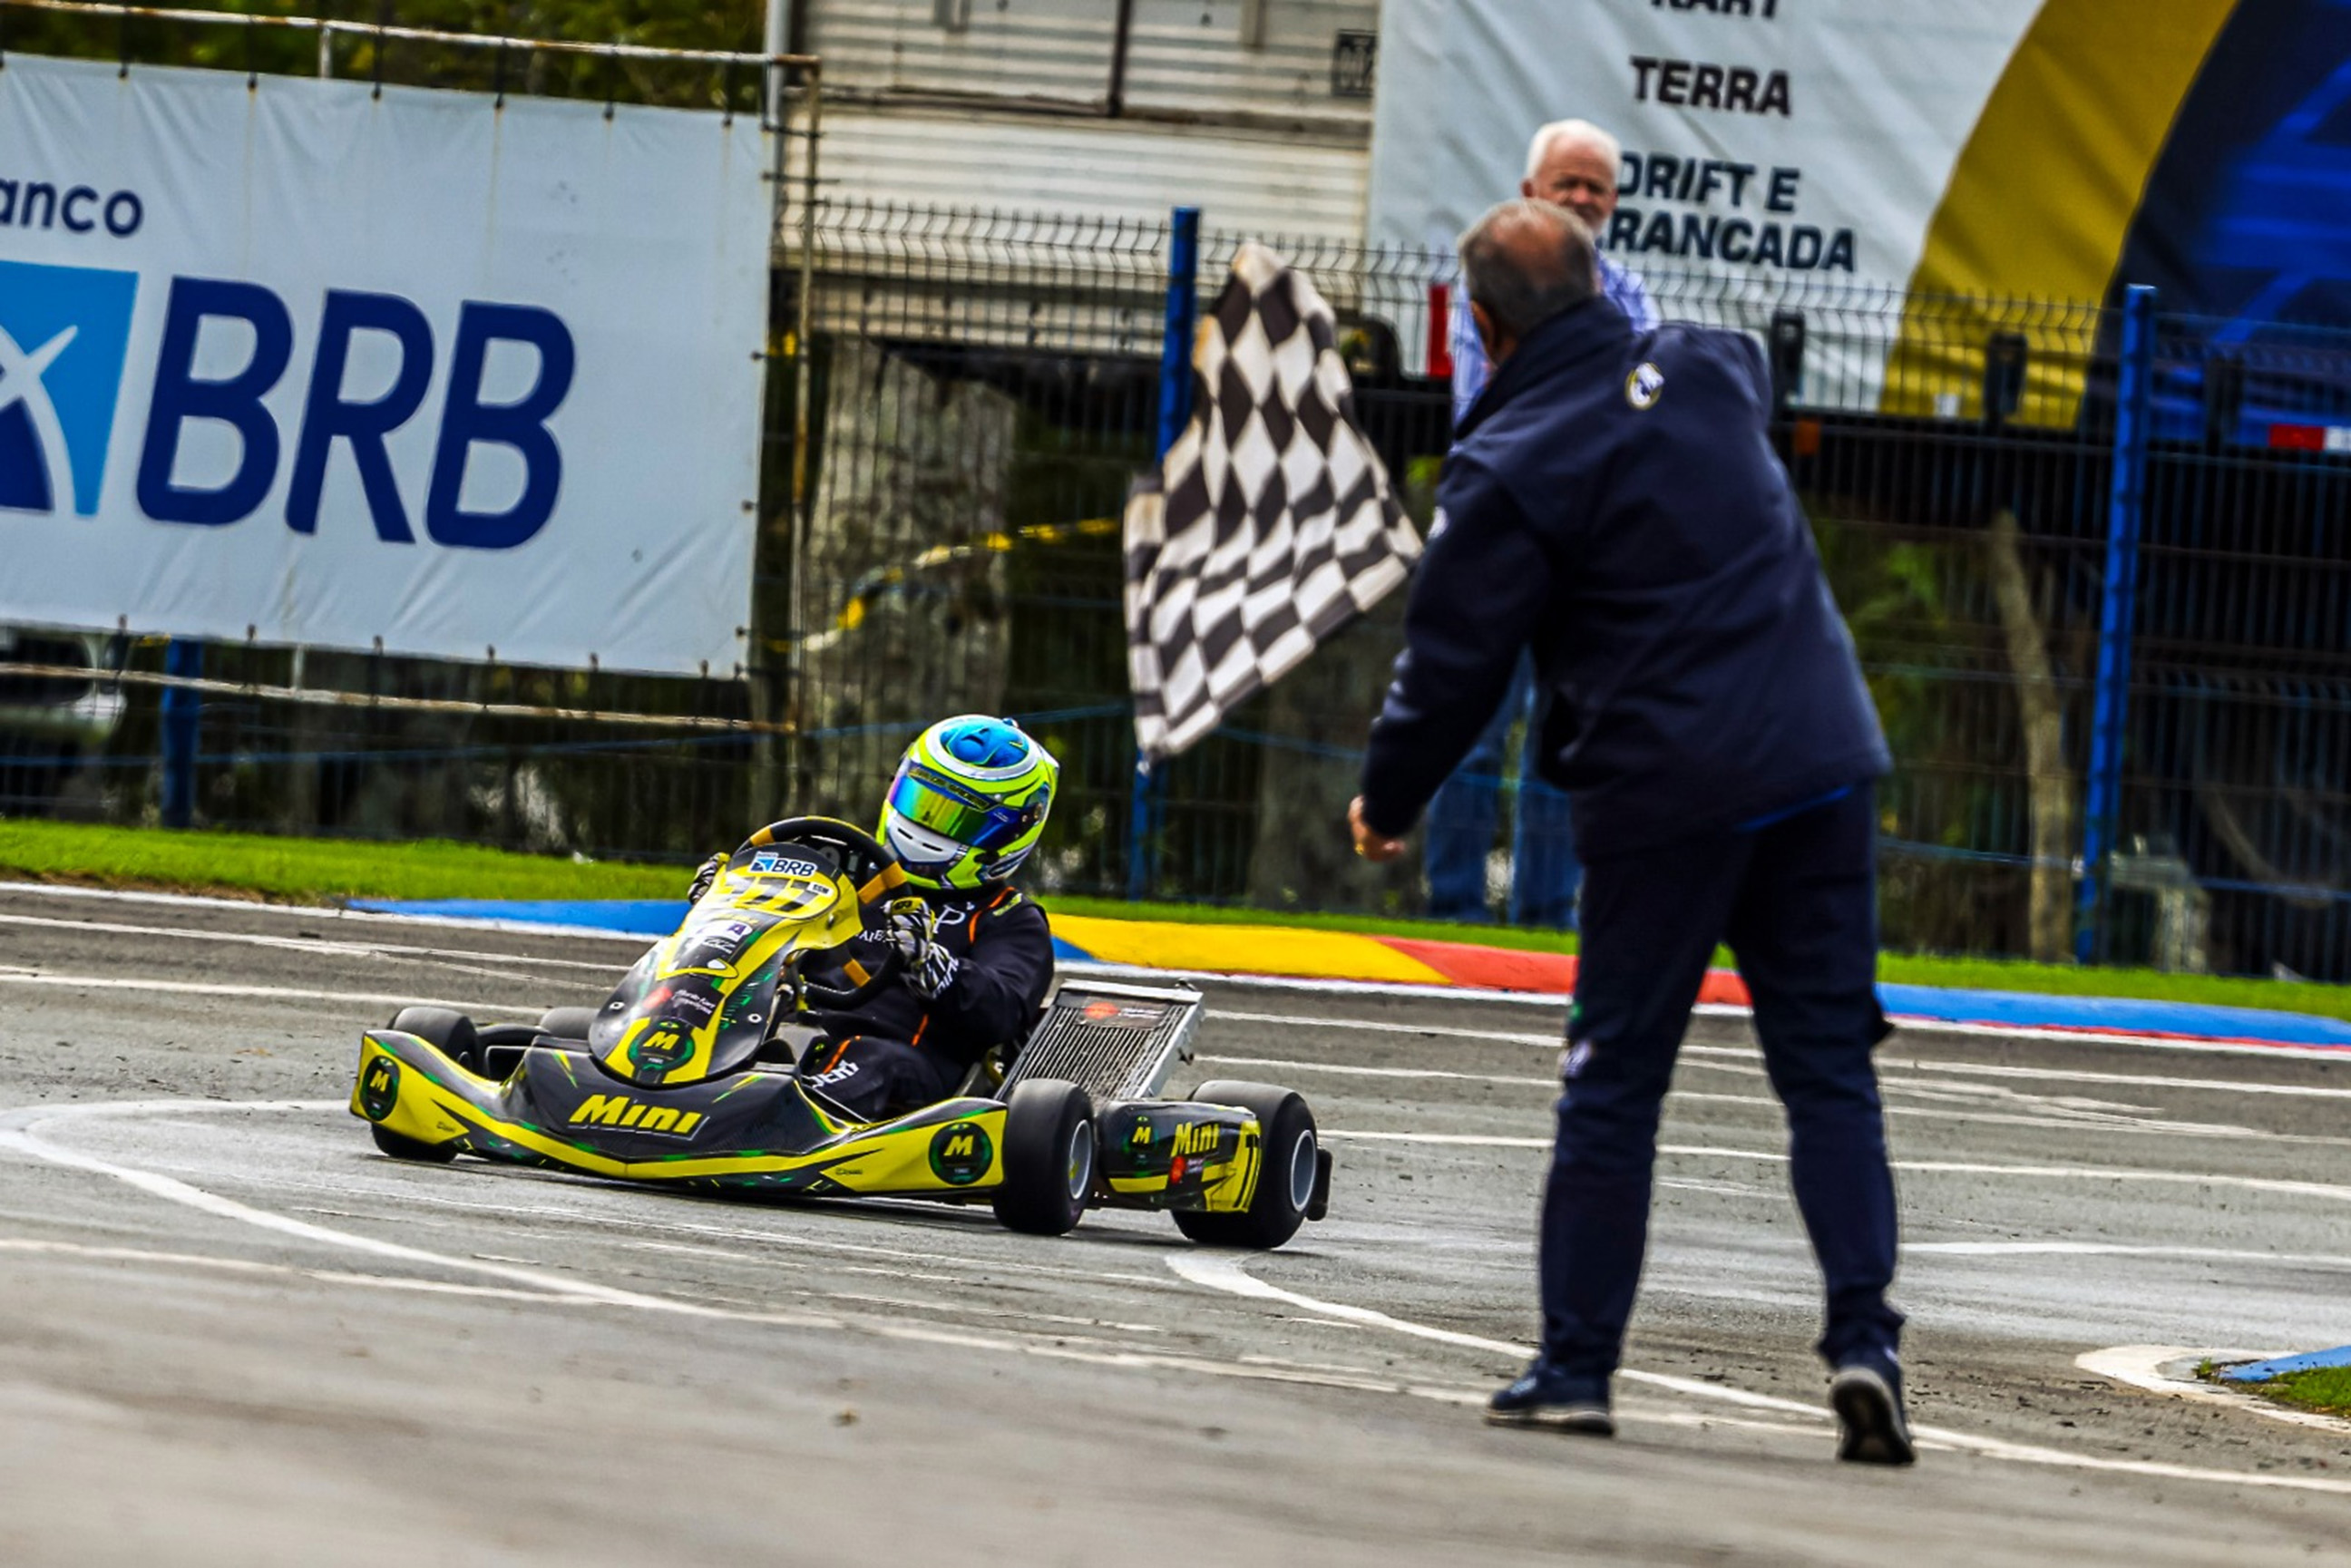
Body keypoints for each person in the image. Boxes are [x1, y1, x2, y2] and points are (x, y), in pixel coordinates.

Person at [1349, 200, 1913, 1465]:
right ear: (1603, 283)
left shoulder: (1511, 462)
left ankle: (1577, 1365)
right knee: (1828, 1070)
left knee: (1614, 1086)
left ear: (1482, 327)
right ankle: (1865, 1342)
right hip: (1823, 759)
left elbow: (1453, 667)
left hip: (1664, 790)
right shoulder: (1718, 366)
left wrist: (1389, 800)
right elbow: (1697, 397)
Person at [1429, 118, 1654, 929]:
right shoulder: (1484, 290)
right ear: (1531, 193)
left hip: (1588, 557)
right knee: (1470, 731)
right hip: (1494, 545)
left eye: (1596, 186)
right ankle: (1451, 911)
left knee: (1563, 746)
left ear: (1615, 202)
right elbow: (1482, 412)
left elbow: (1641, 418)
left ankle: (1543, 922)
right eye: (1569, 183)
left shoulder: (1631, 293)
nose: (1583, 198)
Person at [687, 715, 1059, 1123]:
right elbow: (771, 941)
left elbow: (1001, 1010)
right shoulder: (848, 876)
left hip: (909, 1067)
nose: (926, 826)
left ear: (1012, 831)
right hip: (800, 1033)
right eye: (923, 802)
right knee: (707, 1007)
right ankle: (649, 1074)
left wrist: (929, 963)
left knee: (869, 1056)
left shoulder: (1010, 918)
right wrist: (726, 900)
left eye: (957, 817)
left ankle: (765, 1122)